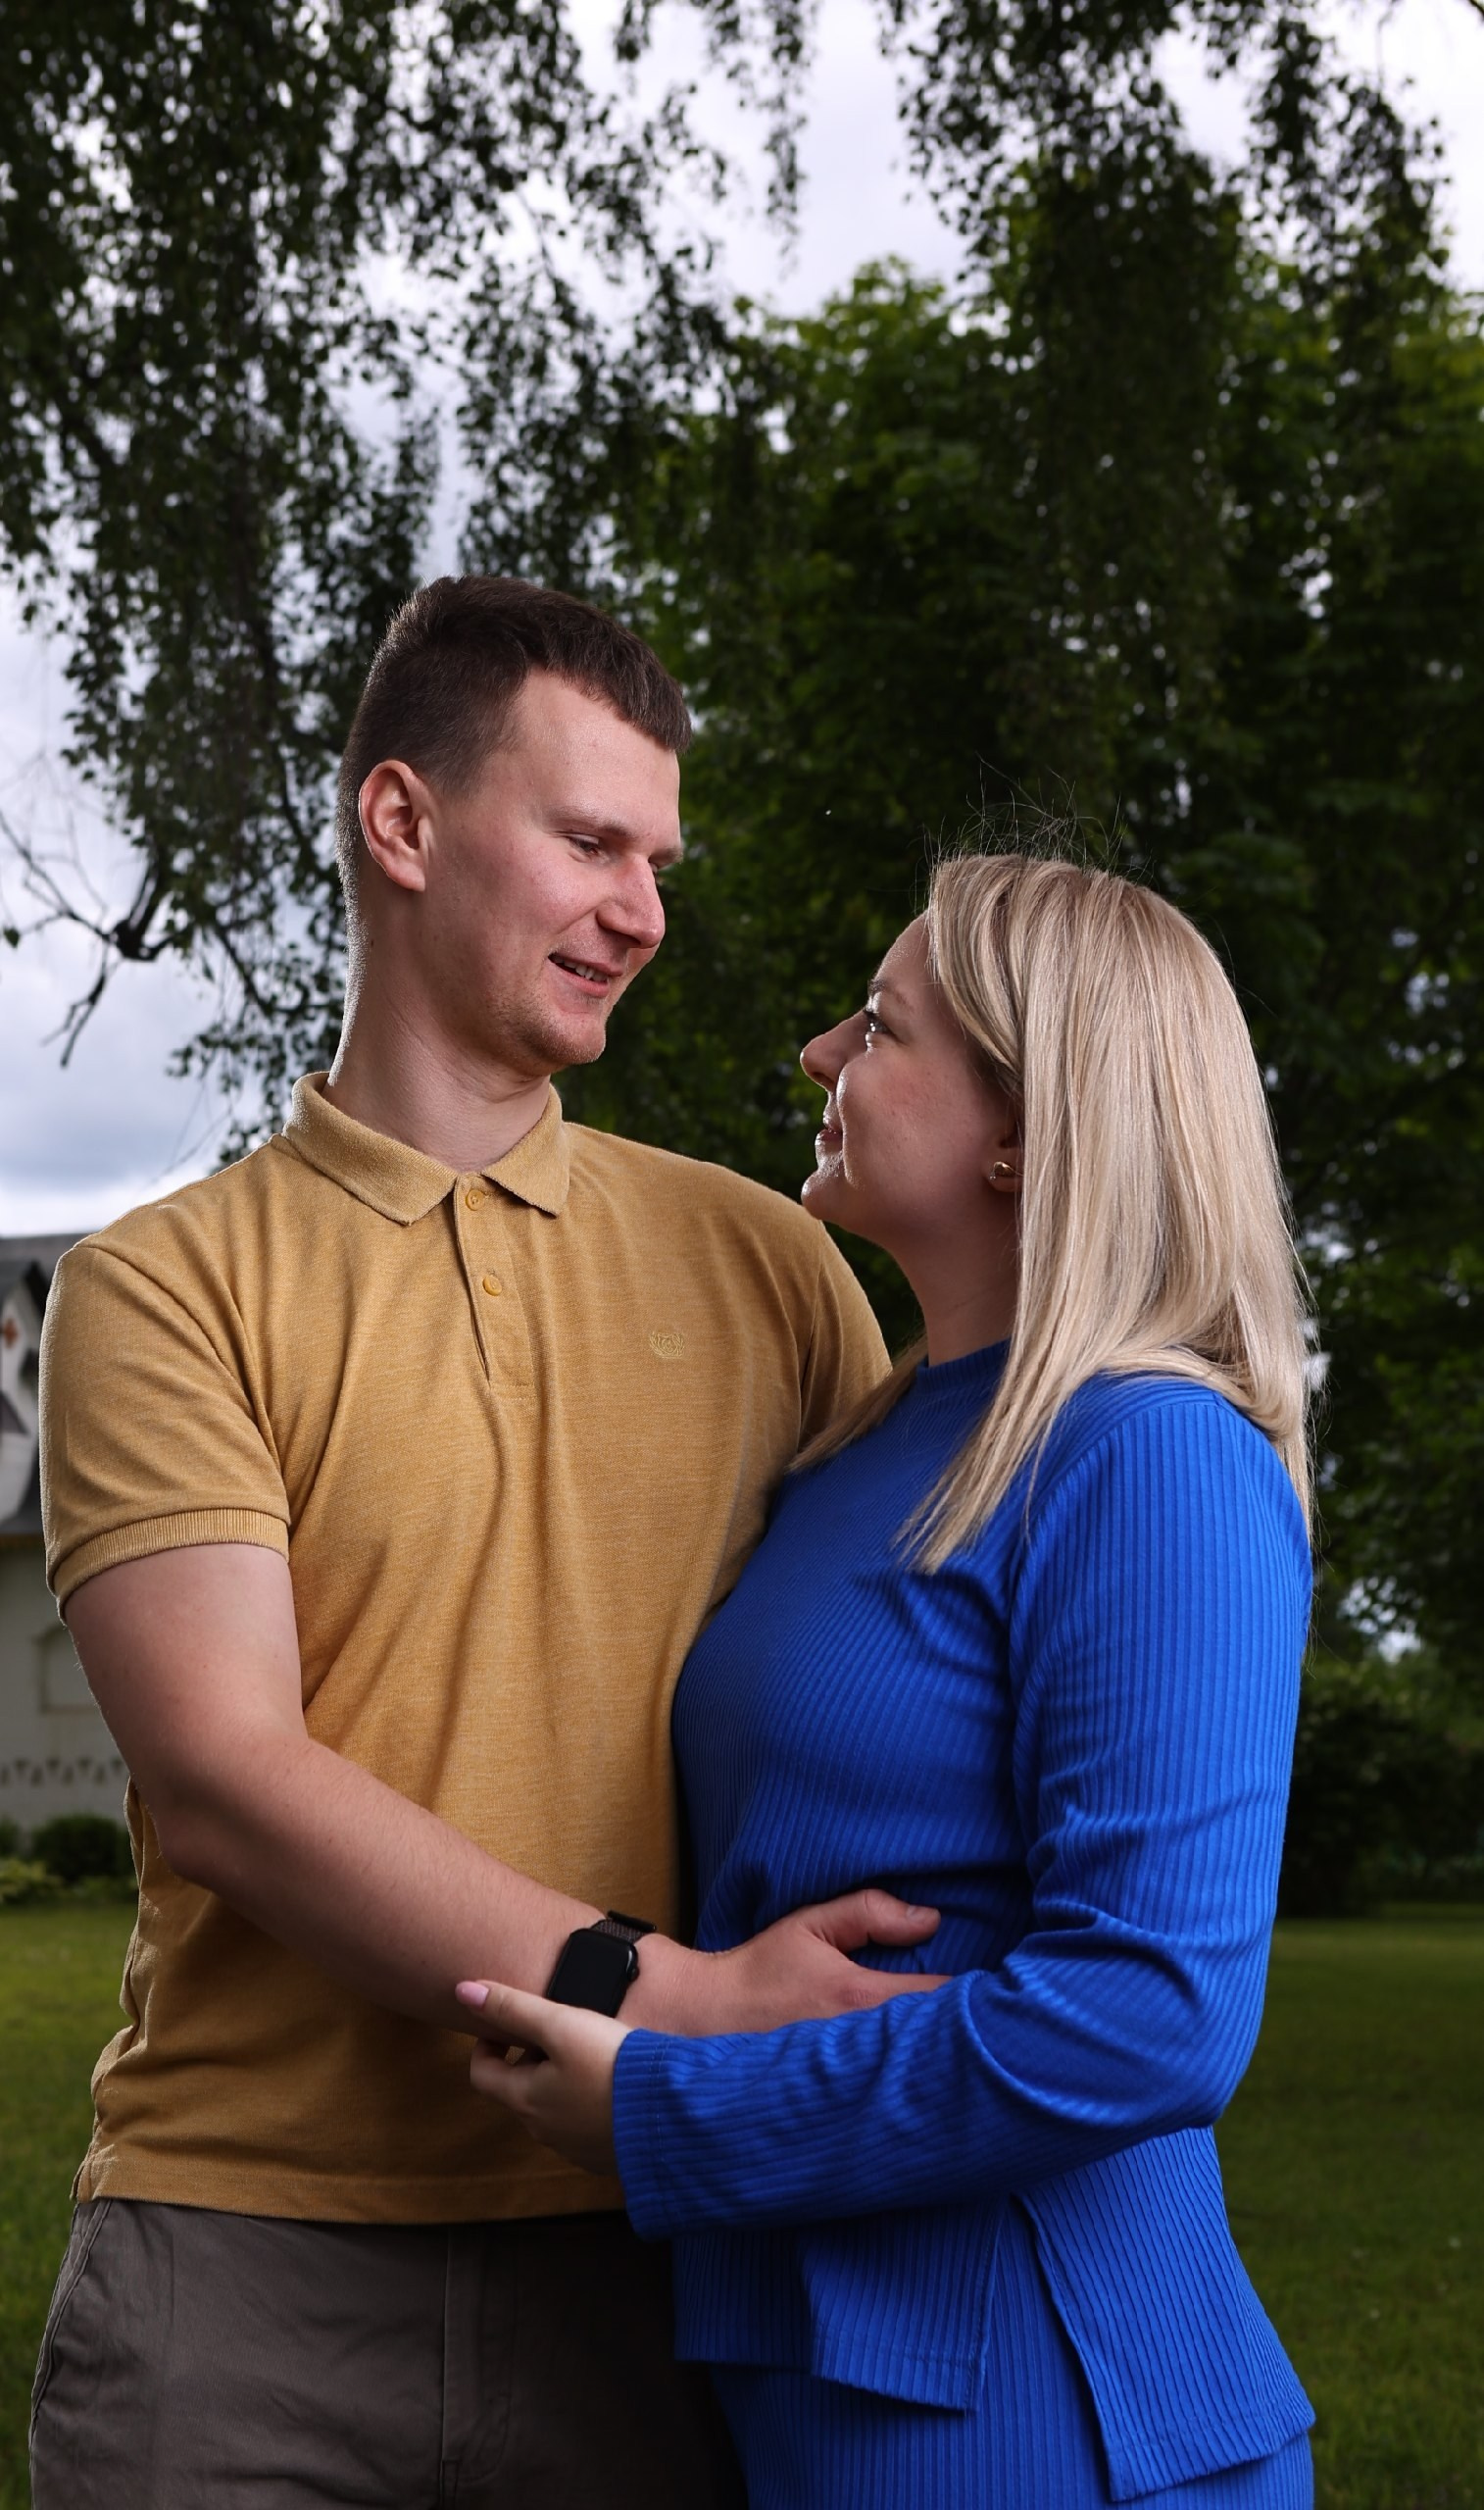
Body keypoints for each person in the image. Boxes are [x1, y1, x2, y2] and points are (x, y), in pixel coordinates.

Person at [28, 576, 951, 2510]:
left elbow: (911, 1685)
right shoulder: (162, 1288)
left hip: (660, 2236)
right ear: (403, 821)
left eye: (659, 863)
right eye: (593, 842)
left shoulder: (773, 1268)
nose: (643, 910)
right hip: (242, 2259)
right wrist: (670, 1994)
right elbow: (226, 1776)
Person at [464, 851, 1318, 2510]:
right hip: (803, 2374)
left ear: (1023, 1125)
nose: (818, 1056)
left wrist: (668, 2108)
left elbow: (1154, 2014)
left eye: (878, 1024)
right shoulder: (865, 1441)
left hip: (1039, 2402)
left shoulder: (1149, 1451)